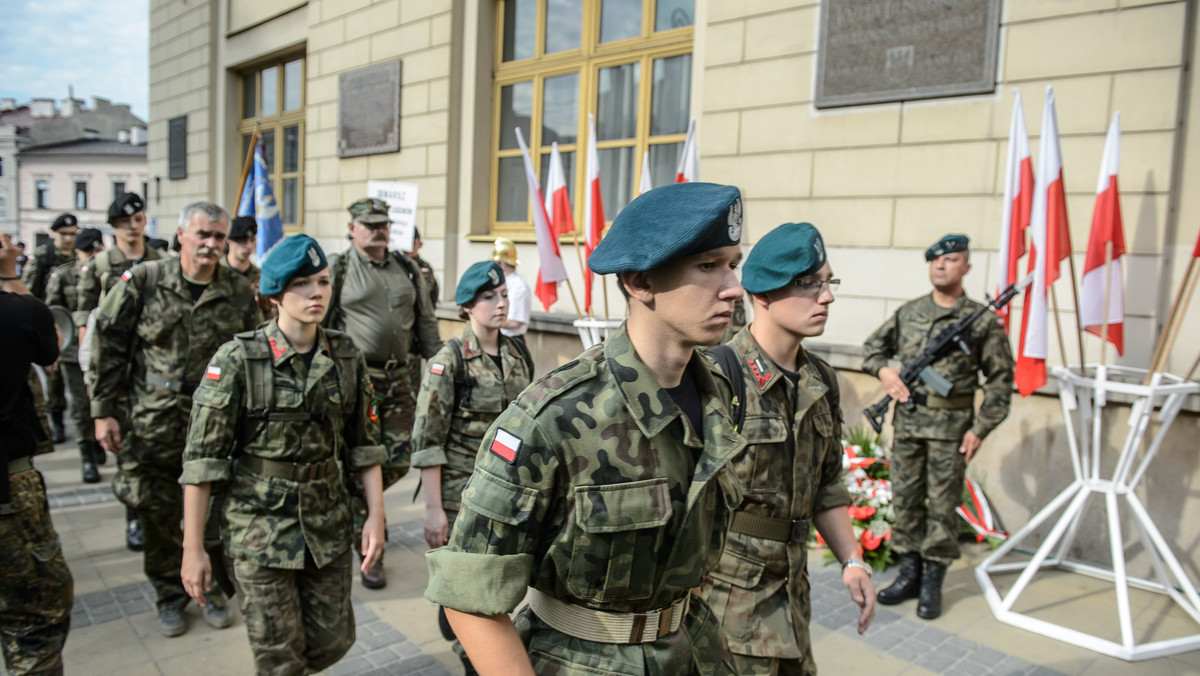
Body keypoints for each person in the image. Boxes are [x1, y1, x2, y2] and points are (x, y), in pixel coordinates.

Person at [427, 182, 748, 675]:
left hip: (694, 651)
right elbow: (470, 597)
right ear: (640, 283)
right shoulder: (551, 418)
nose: (732, 287)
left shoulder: (719, 391)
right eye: (708, 267)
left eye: (733, 264)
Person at [180, 234, 387, 675]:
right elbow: (202, 463)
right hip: (260, 531)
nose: (316, 293)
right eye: (302, 284)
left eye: (324, 281)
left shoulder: (346, 355)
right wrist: (193, 548)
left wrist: (375, 517)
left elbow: (365, 445)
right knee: (278, 659)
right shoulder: (238, 360)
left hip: (327, 526)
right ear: (274, 294)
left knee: (333, 641)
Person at [700, 222, 875, 675]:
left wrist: (852, 561)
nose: (827, 297)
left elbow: (827, 482)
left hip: (793, 599)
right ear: (763, 293)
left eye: (828, 282)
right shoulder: (716, 378)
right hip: (726, 608)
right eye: (809, 284)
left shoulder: (820, 380)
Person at [90, 201, 257, 637]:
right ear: (180, 235)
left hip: (216, 423)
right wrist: (103, 411)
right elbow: (109, 345)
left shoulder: (239, 292)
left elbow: (255, 358)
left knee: (216, 513)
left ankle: (214, 590)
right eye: (203, 234)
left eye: (219, 237)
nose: (211, 244)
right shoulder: (145, 280)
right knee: (158, 513)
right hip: (154, 421)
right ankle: (169, 594)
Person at [862, 234, 1014, 620]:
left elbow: (1000, 381)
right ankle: (909, 574)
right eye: (935, 260)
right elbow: (873, 348)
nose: (941, 266)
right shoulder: (909, 312)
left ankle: (933, 581)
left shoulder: (981, 322)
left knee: (944, 508)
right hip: (910, 423)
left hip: (952, 430)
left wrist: (979, 429)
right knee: (905, 501)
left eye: (951, 259)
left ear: (967, 267)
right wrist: (885, 372)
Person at [412, 260, 534, 674]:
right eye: (488, 297)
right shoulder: (448, 361)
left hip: (508, 491)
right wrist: (432, 509)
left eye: (502, 295)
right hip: (460, 494)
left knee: (494, 575)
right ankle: (471, 651)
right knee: (470, 584)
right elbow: (428, 440)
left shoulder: (517, 353)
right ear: (467, 306)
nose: (500, 304)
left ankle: (459, 618)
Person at [324, 197, 443, 589]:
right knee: (359, 456)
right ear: (352, 228)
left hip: (400, 378)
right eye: (369, 224)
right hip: (357, 380)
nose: (378, 230)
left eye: (383, 224)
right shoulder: (339, 269)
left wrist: (441, 371)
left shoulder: (407, 267)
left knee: (399, 459)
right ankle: (370, 545)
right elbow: (322, 324)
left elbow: (425, 320)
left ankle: (364, 511)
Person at [0, 232, 74, 676]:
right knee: (35, 618)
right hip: (8, 491)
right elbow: (49, 342)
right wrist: (8, 273)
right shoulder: (20, 312)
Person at [76, 193, 164, 552]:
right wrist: (91, 374)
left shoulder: (161, 261)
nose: (133, 224)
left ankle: (160, 514)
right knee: (127, 448)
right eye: (125, 220)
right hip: (116, 365)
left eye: (138, 217)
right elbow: (86, 320)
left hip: (155, 367)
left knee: (155, 447)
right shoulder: (100, 265)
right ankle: (134, 518)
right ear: (114, 226)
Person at [45, 227, 106, 483]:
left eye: (96, 249)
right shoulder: (62, 275)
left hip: (104, 352)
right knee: (81, 406)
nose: (92, 255)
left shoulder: (110, 273)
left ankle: (97, 442)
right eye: (87, 250)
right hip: (73, 352)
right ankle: (86, 457)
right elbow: (52, 315)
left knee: (102, 404)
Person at [22, 213, 79, 444]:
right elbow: (27, 293)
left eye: (72, 234)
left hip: (73, 326)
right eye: (64, 234)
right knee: (54, 379)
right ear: (54, 233)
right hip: (49, 325)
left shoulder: (79, 256)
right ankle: (56, 423)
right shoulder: (42, 257)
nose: (68, 239)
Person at [404, 227, 440, 396]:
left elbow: (431, 300)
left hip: (416, 338)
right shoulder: (395, 266)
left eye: (413, 242)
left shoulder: (425, 268)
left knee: (413, 386)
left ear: (420, 244)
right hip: (399, 333)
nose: (409, 246)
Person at [221, 215, 272, 320]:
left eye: (252, 240)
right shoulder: (216, 273)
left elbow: (268, 314)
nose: (249, 246)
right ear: (229, 240)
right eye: (243, 241)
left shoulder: (261, 277)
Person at [492, 237, 530, 346]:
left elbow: (515, 322)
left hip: (512, 342)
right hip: (501, 339)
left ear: (502, 264)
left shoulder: (518, 286)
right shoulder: (505, 282)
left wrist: (487, 322)